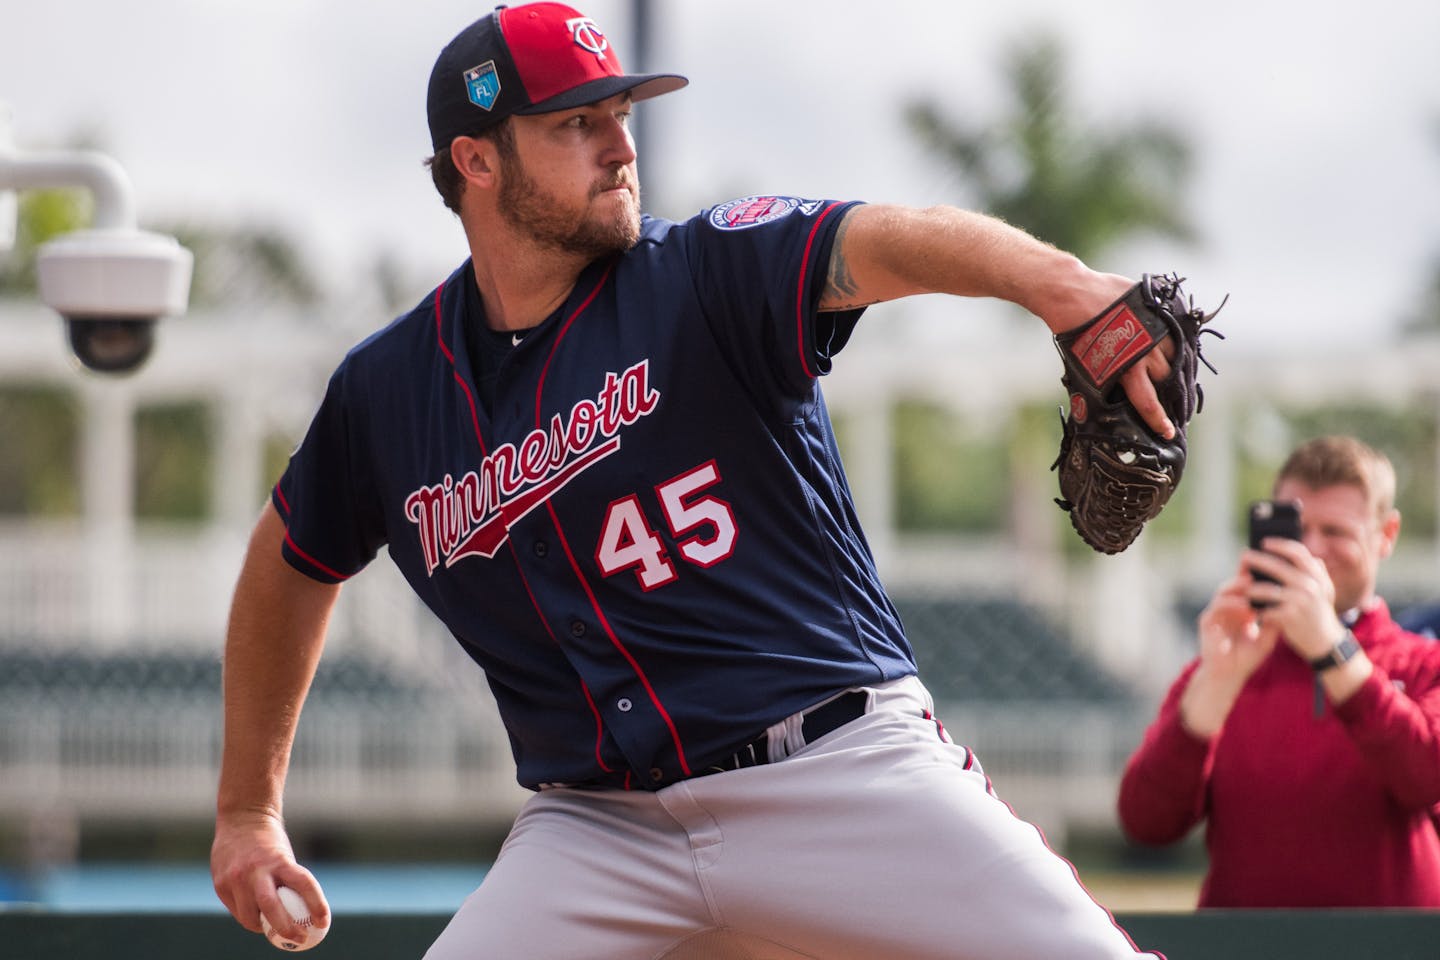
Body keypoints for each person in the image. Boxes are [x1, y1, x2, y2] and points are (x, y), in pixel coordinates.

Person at [210, 4, 1176, 957]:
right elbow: (292, 559)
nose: (617, 146)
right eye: (574, 123)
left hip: (834, 772)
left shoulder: (705, 272)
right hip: (596, 833)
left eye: (620, 115)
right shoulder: (388, 393)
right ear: (476, 161)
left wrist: (1060, 286)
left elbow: (885, 237)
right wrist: (250, 809)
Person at [1117, 435, 1440, 908]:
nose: (1311, 552)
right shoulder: (1228, 661)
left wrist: (1331, 648)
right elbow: (1147, 822)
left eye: (1336, 532)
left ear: (1385, 536)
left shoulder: (1423, 662)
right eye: (1295, 529)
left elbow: (1426, 775)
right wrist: (1220, 680)